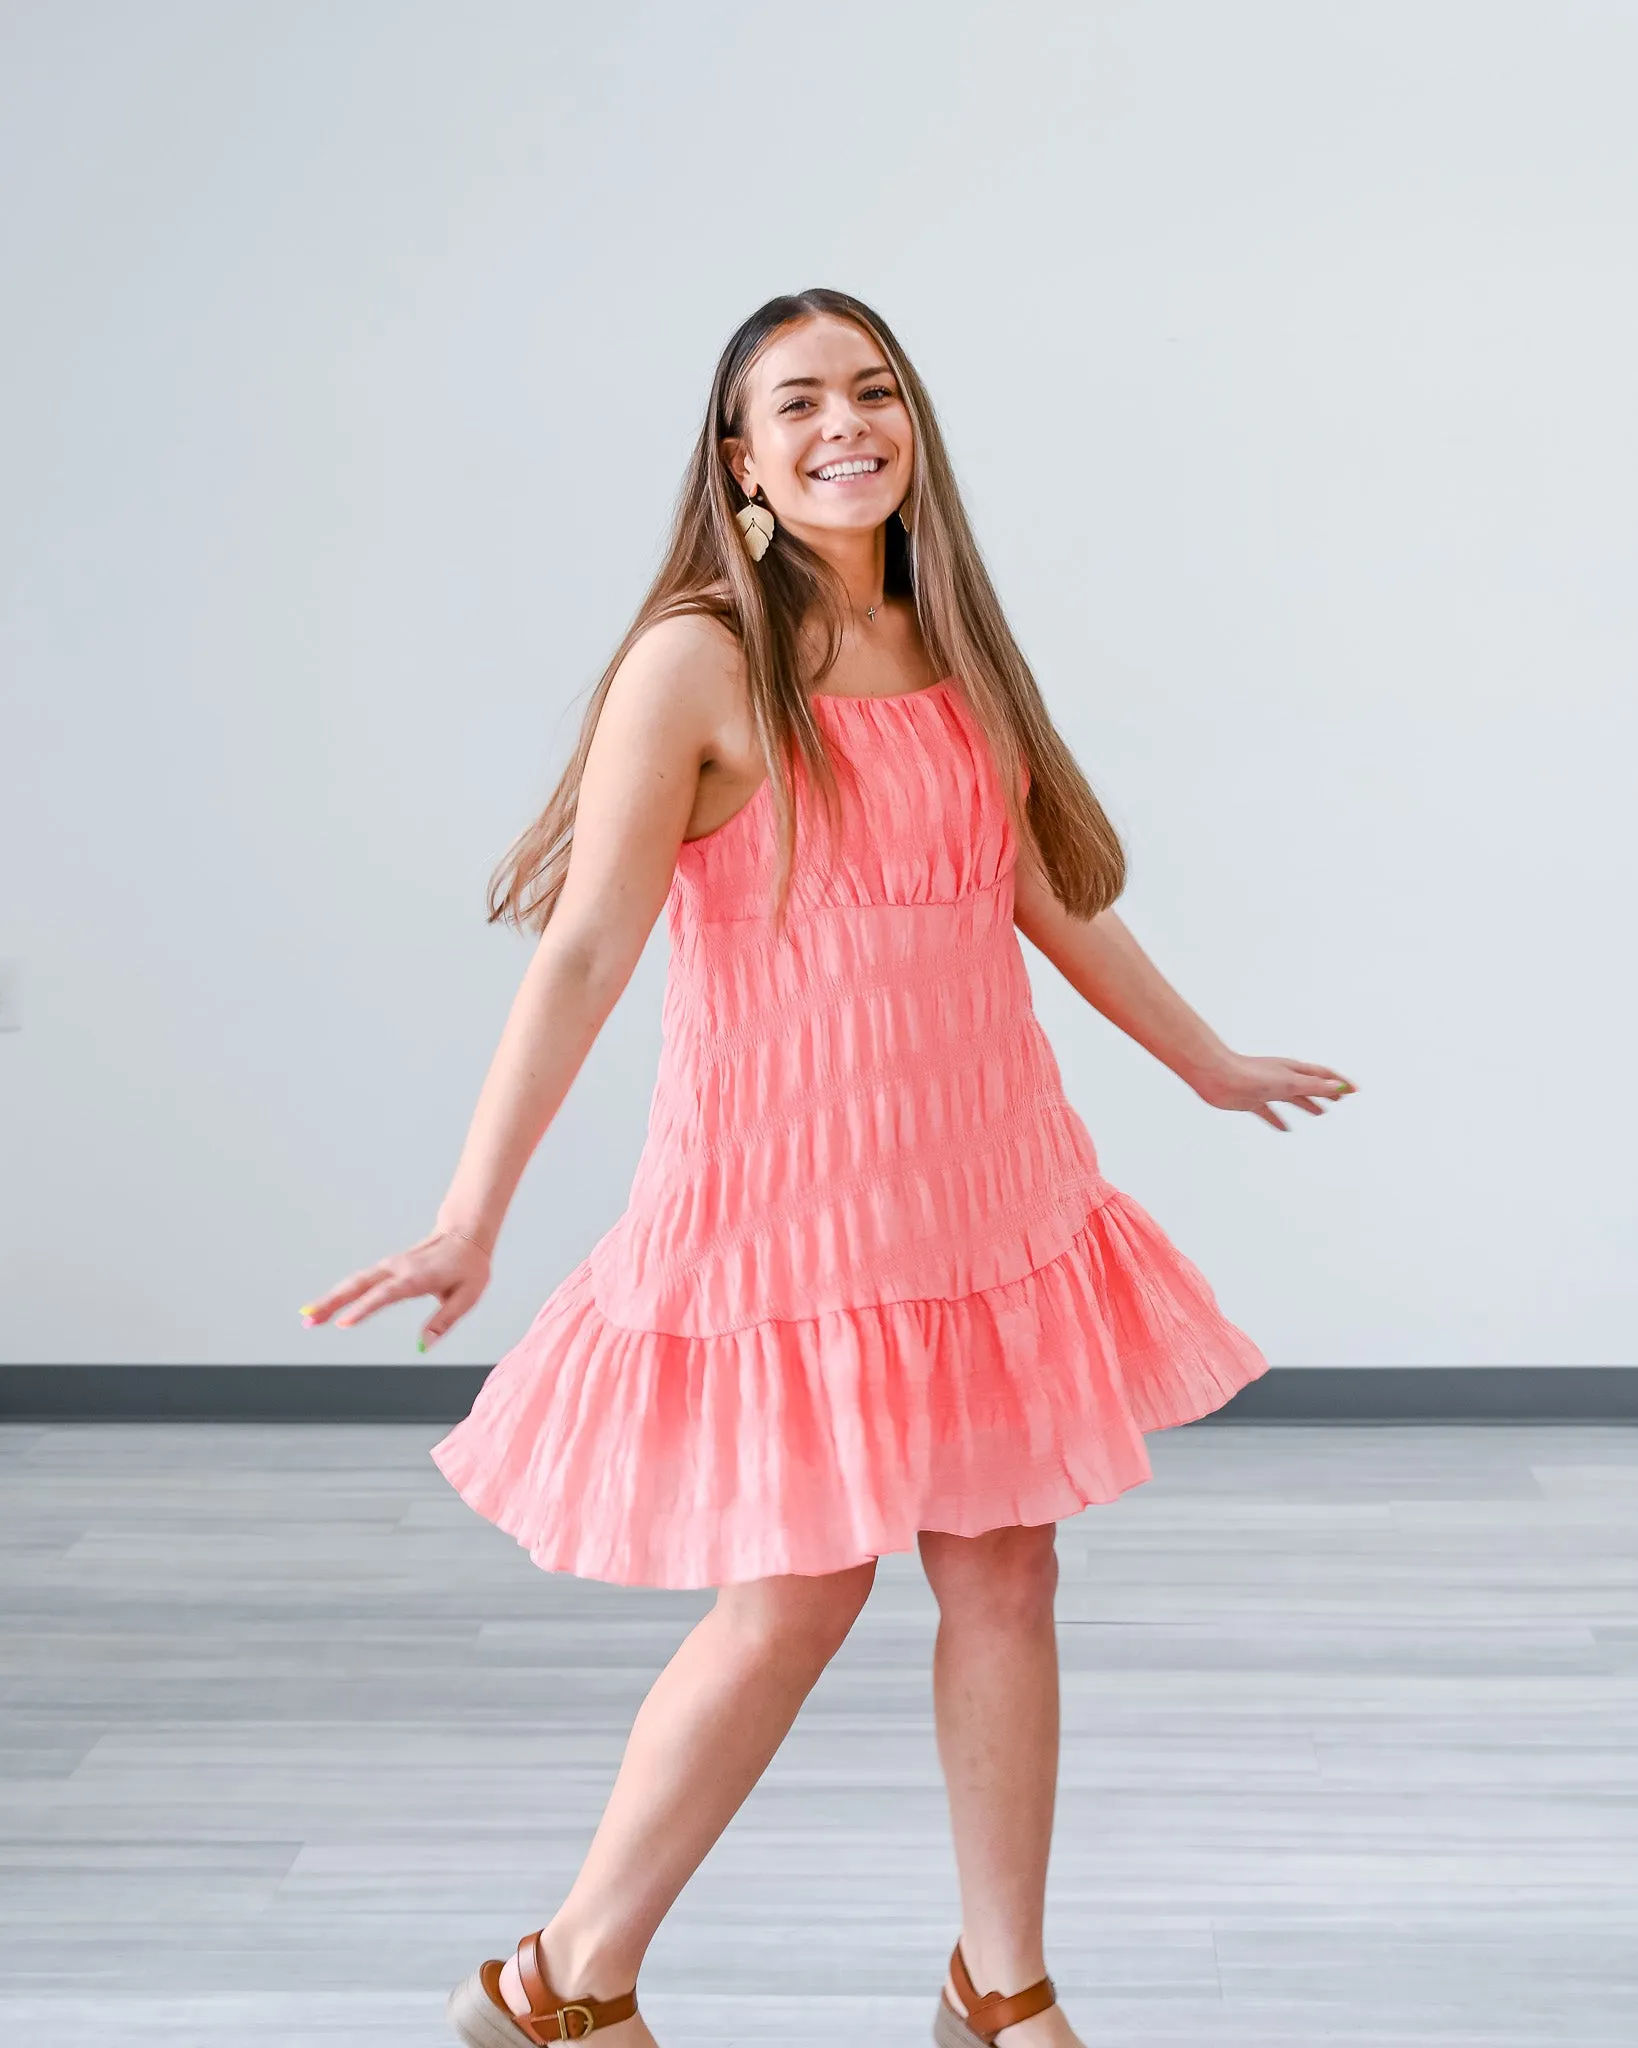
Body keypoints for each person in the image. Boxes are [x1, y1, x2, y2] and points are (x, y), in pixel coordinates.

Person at [301, 287, 1354, 2048]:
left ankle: (999, 1989)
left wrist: (1206, 1061)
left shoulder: (955, 651)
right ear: (739, 458)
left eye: (871, 391)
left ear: (911, 426)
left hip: (983, 1183)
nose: (842, 423)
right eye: (795, 403)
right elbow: (580, 954)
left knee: (1007, 1572)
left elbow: (1042, 902)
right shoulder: (698, 661)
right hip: (789, 1199)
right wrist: (468, 1215)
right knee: (794, 1593)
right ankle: (560, 1980)